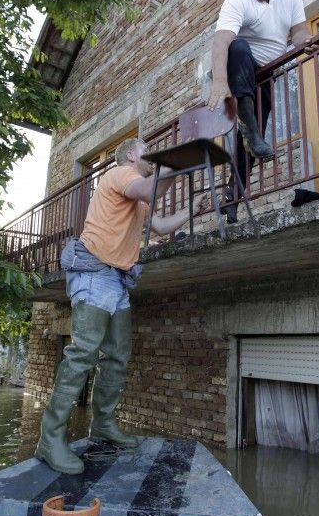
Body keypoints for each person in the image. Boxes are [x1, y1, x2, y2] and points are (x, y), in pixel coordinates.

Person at [35, 137, 208, 474]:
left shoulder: (138, 195)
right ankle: (49, 439)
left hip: (117, 279)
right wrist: (175, 163)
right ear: (131, 155)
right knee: (84, 352)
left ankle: (102, 423)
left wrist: (193, 208)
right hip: (94, 272)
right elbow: (150, 190)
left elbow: (160, 224)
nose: (152, 156)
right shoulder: (118, 175)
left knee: (117, 355)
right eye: (148, 150)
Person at [207, 0, 316, 221]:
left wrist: (305, 43)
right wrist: (220, 81)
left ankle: (233, 198)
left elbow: (299, 31)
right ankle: (250, 130)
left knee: (250, 146)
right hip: (241, 71)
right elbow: (221, 42)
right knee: (239, 48)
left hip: (267, 75)